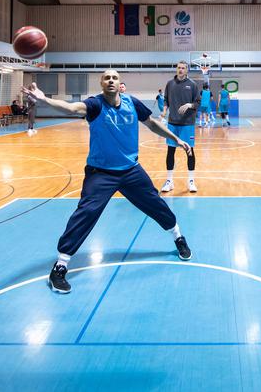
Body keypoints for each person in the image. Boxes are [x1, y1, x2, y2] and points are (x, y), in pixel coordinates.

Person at [26, 70, 193, 293]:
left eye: (114, 77)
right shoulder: (95, 105)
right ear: (101, 83)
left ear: (120, 82)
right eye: (107, 78)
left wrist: (175, 138)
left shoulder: (131, 103)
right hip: (101, 173)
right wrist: (44, 99)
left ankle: (178, 237)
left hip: (130, 170)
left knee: (156, 204)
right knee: (85, 213)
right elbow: (72, 108)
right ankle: (60, 265)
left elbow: (152, 124)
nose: (111, 81)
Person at [162, 62, 199, 193]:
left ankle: (191, 181)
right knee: (170, 151)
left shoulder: (193, 85)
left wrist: (190, 105)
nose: (180, 70)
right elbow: (165, 99)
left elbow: (197, 102)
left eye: (183, 68)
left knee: (189, 151)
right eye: (179, 68)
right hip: (172, 122)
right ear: (176, 69)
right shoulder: (169, 83)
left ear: (187, 70)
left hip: (187, 123)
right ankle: (169, 181)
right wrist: (165, 110)